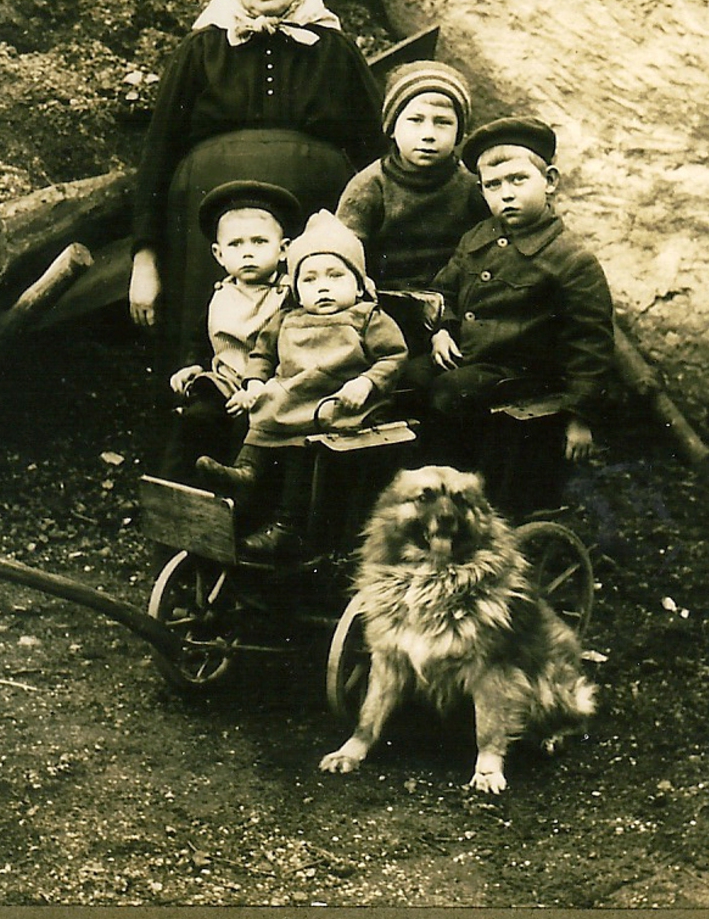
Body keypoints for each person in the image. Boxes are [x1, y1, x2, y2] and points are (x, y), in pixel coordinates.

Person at [128, 0, 381, 365]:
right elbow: (158, 156)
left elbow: (376, 157)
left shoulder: (335, 51)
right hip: (207, 239)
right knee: (213, 354)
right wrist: (145, 260)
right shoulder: (201, 50)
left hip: (312, 227)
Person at [425, 117, 618, 497]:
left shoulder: (571, 259)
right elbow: (443, 289)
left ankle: (461, 485)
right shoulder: (476, 237)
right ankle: (416, 483)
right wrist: (443, 330)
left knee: (451, 391)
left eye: (518, 180)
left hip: (524, 371)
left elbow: (590, 343)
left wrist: (580, 417)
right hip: (472, 360)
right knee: (409, 377)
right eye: (493, 185)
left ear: (550, 181)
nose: (506, 194)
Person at [198, 212, 407, 559]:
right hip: (292, 392)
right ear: (296, 289)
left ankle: (288, 526)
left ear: (358, 285)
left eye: (335, 276)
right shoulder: (287, 317)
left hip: (339, 397)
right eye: (309, 279)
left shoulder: (368, 316)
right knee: (264, 408)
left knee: (302, 441)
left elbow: (393, 356)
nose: (322, 287)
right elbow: (262, 354)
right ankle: (247, 470)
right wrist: (254, 384)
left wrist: (367, 382)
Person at [336, 57, 487, 382]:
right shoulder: (370, 185)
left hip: (451, 304)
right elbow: (344, 254)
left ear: (460, 132)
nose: (428, 134)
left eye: (443, 122)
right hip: (385, 303)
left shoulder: (471, 188)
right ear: (392, 127)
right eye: (415, 120)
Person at [163, 180, 295, 480]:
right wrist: (192, 365)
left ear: (283, 250)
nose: (247, 253)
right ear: (219, 254)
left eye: (259, 242)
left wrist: (258, 388)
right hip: (224, 384)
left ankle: (236, 489)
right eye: (236, 244)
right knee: (195, 419)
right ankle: (177, 488)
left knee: (250, 429)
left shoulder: (289, 294)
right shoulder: (221, 295)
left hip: (272, 384)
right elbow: (203, 339)